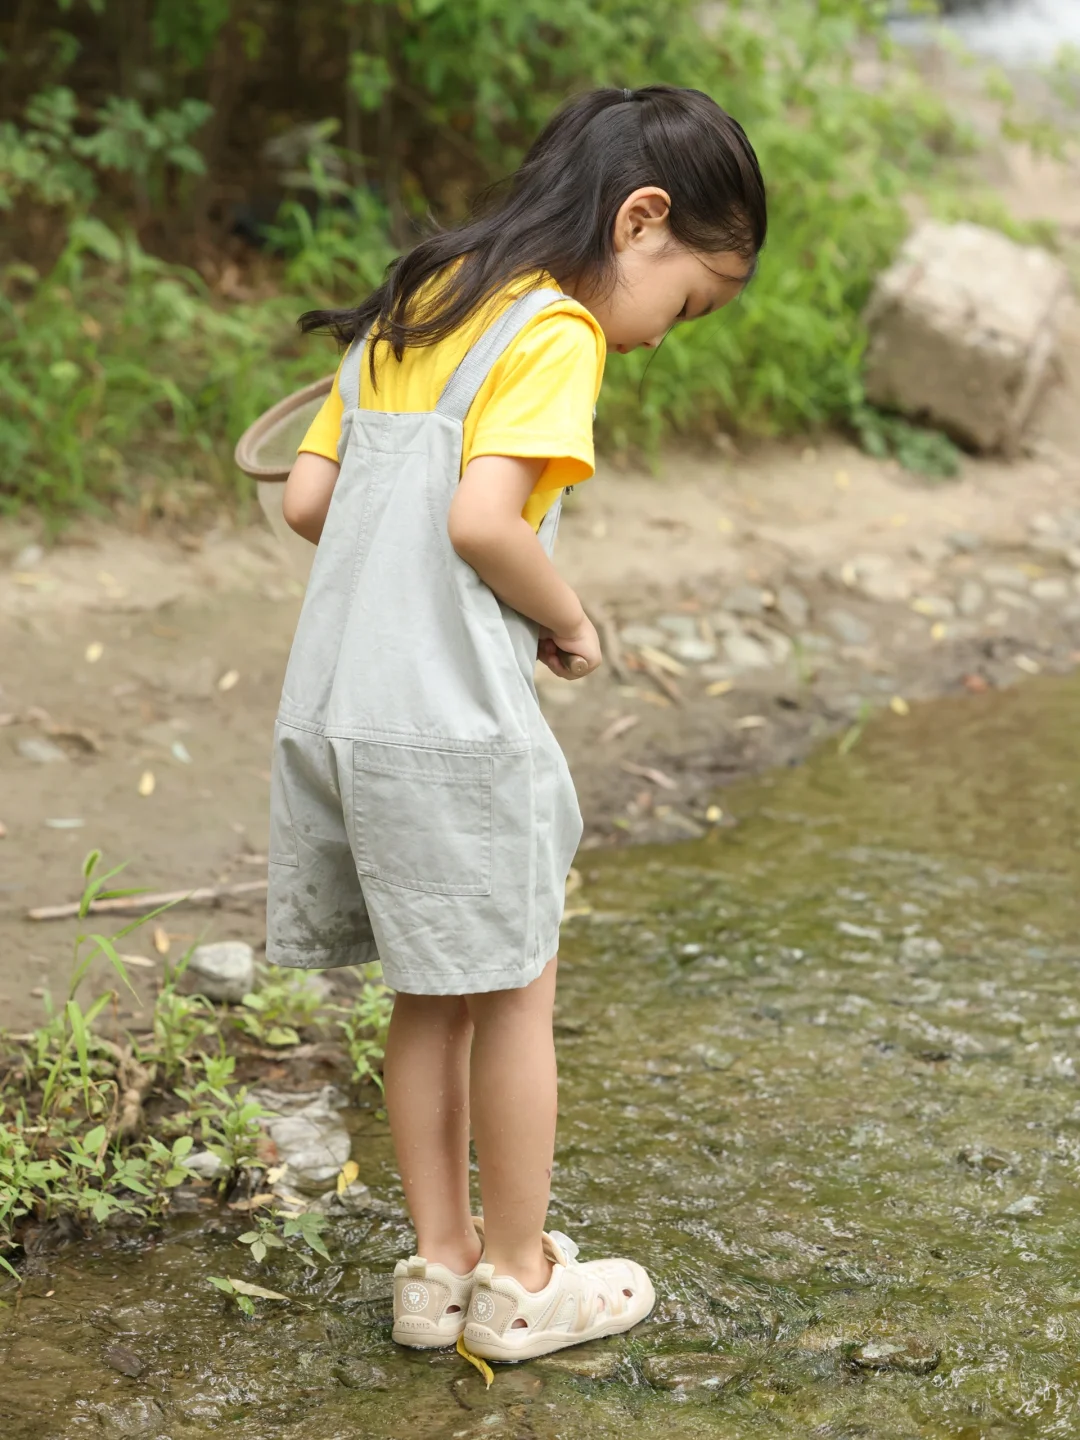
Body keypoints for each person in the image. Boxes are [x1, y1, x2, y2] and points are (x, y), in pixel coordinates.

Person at [269, 83, 766, 1363]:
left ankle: (434, 1273)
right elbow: (484, 522)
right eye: (690, 300)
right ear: (641, 220)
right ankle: (522, 1277)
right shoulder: (552, 330)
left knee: (426, 994)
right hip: (448, 717)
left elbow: (308, 505)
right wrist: (572, 619)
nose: (666, 334)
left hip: (342, 710)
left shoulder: (415, 304)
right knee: (515, 988)